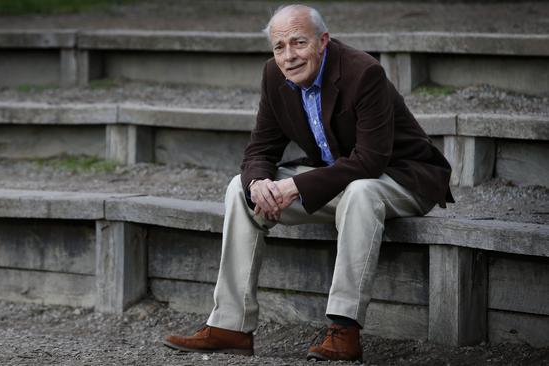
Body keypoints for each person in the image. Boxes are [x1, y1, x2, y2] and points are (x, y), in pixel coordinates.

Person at [164, 4, 453, 362]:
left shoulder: (364, 73)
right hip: (337, 181)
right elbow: (260, 148)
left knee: (362, 192)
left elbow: (371, 160)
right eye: (279, 47)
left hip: (403, 177)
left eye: (298, 43)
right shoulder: (274, 75)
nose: (289, 56)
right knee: (239, 189)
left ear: (323, 41)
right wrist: (258, 183)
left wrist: (296, 187)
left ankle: (344, 330)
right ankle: (230, 326)